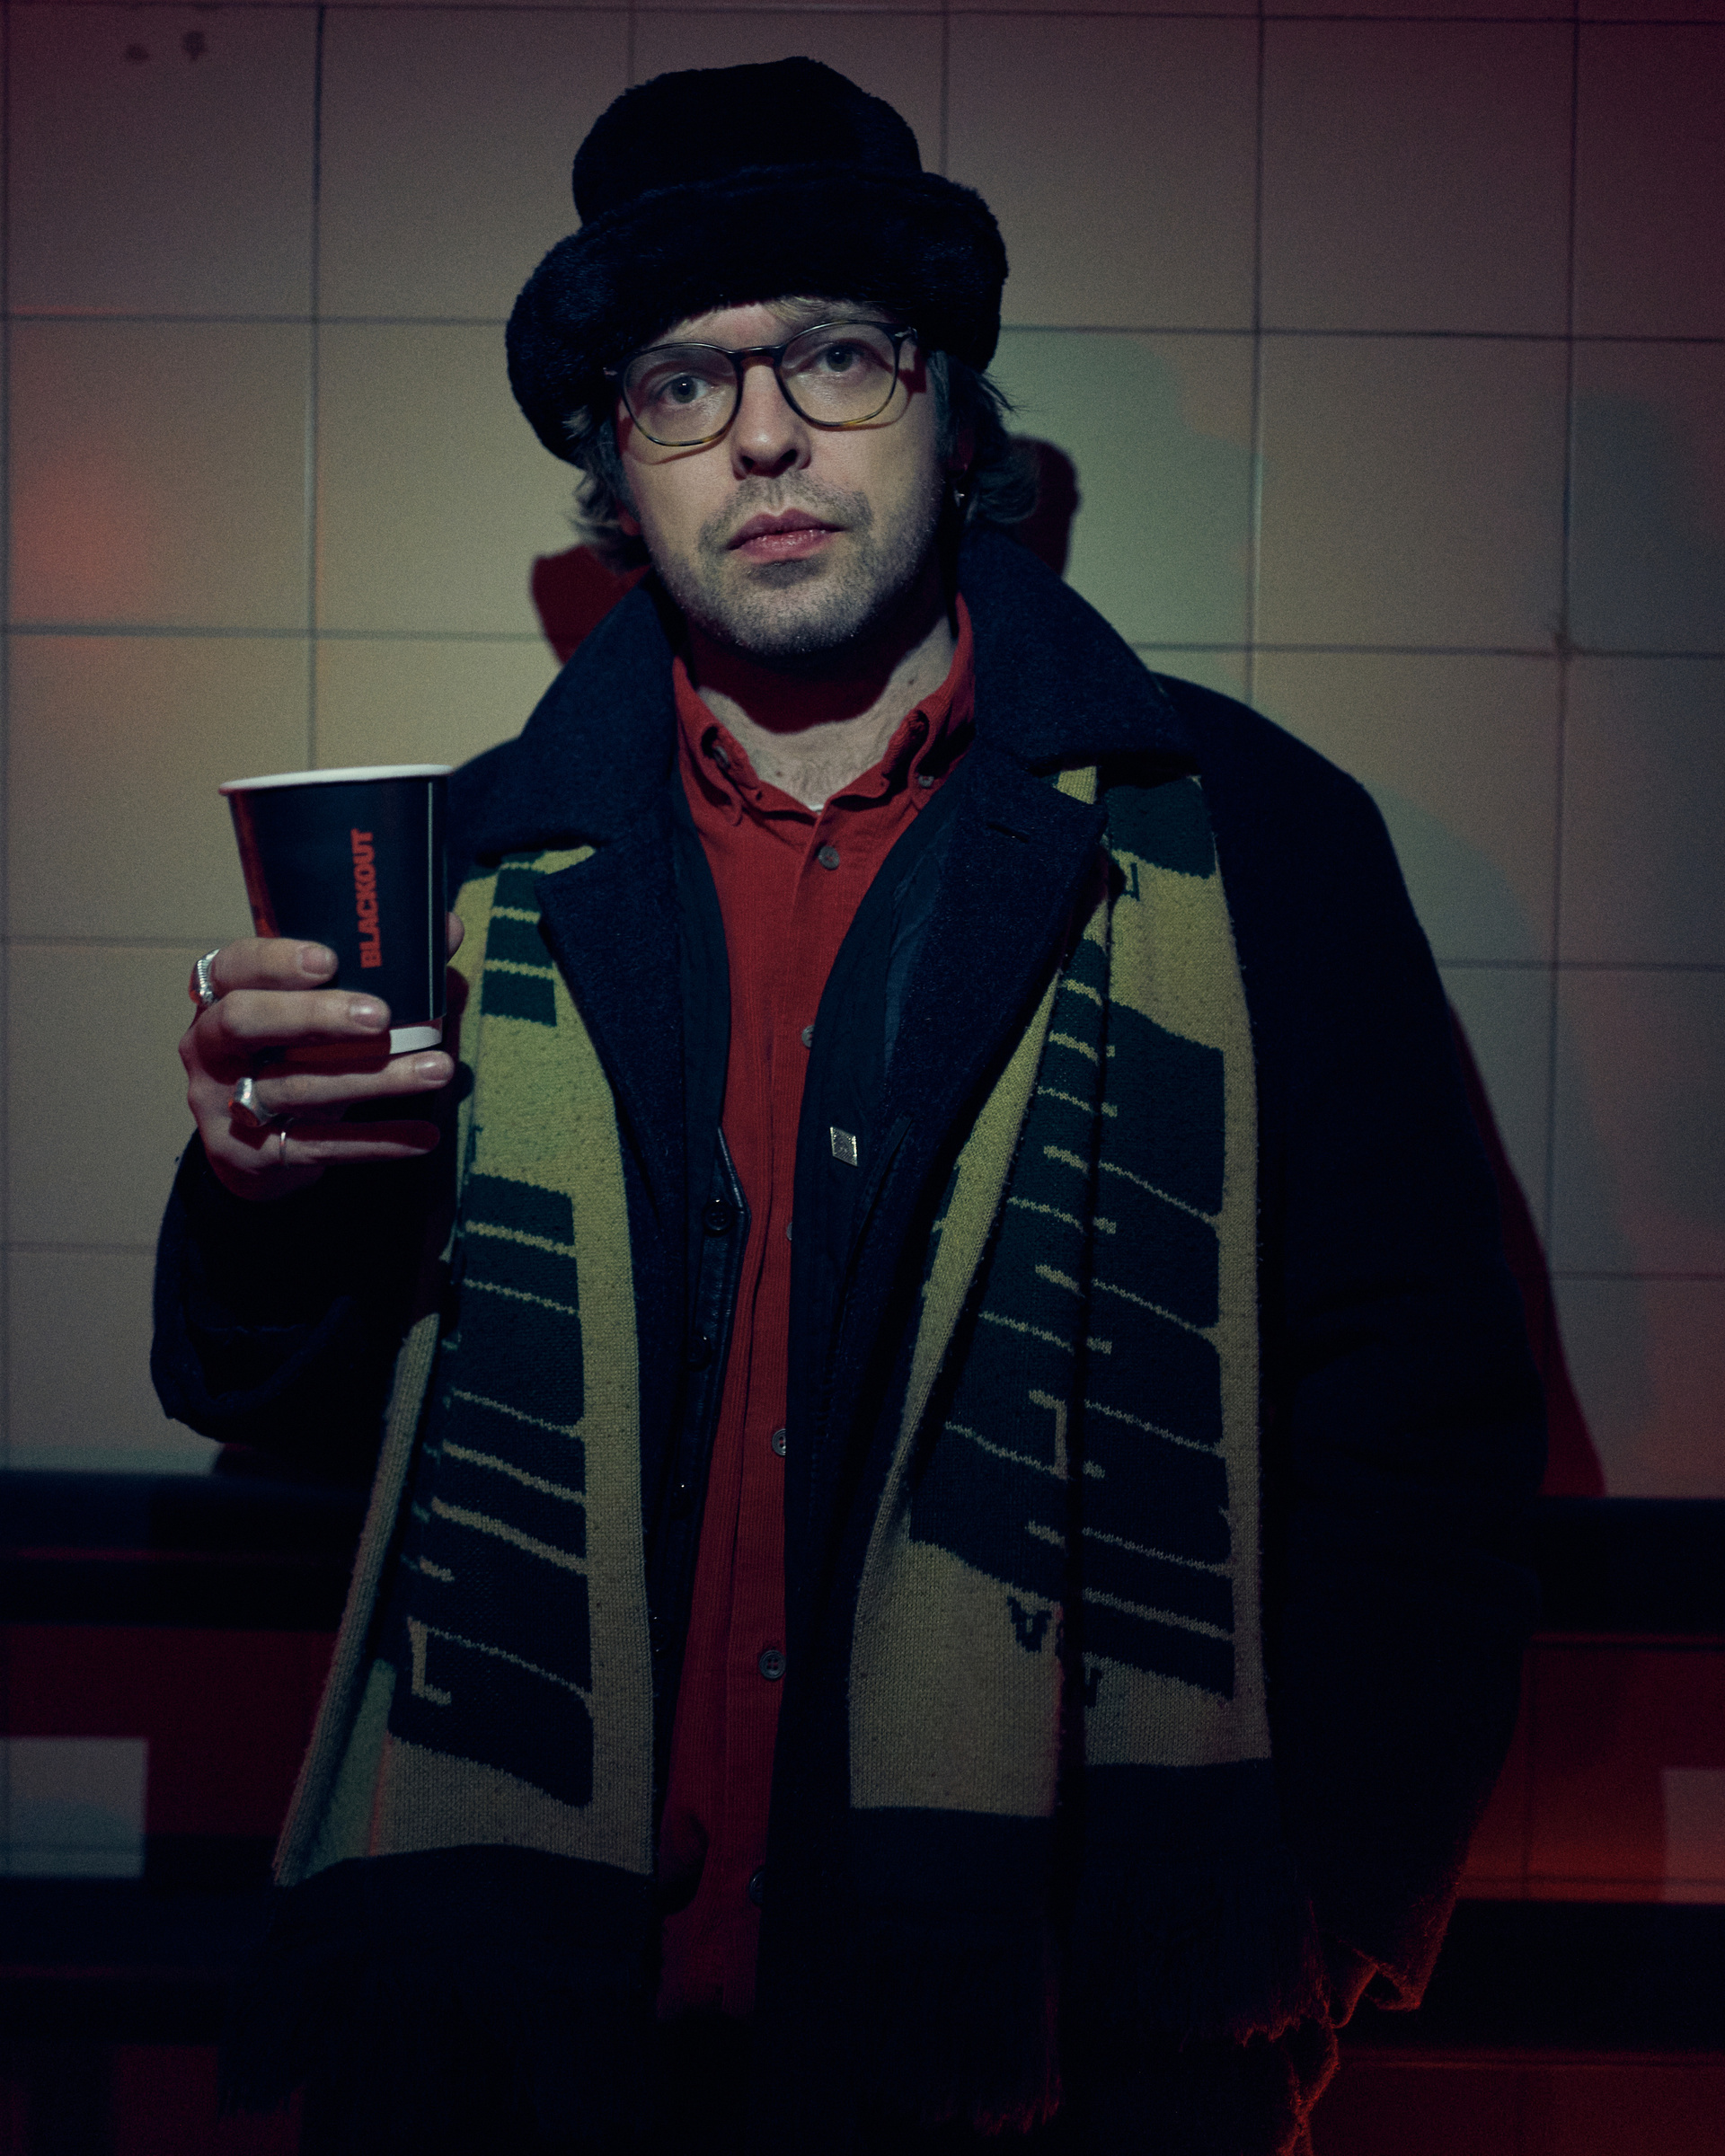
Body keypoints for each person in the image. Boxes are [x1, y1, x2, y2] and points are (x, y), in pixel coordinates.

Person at [154, 58, 1545, 2156]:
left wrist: (1312, 1915)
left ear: (950, 411)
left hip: (1059, 2049)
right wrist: (263, 1193)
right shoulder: (464, 871)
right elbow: (286, 1410)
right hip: (521, 2048)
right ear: (619, 470)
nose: (765, 435)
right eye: (681, 384)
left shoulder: (1250, 840)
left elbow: (1421, 1431)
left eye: (834, 354)